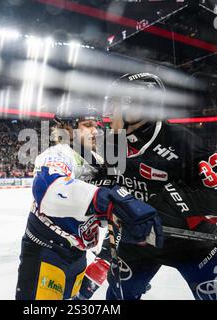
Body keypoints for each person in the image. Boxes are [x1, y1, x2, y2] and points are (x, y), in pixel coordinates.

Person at [77, 72, 217, 300]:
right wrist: (94, 187)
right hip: (138, 240)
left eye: (119, 104)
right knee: (118, 298)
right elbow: (111, 179)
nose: (111, 113)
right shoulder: (113, 142)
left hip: (192, 245)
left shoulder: (184, 143)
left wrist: (175, 204)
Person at [15, 101, 163, 300]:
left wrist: (122, 259)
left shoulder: (97, 161)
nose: (95, 131)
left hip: (76, 255)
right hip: (46, 252)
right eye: (87, 125)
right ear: (67, 128)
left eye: (96, 126)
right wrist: (104, 200)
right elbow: (47, 189)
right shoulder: (58, 154)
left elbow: (111, 212)